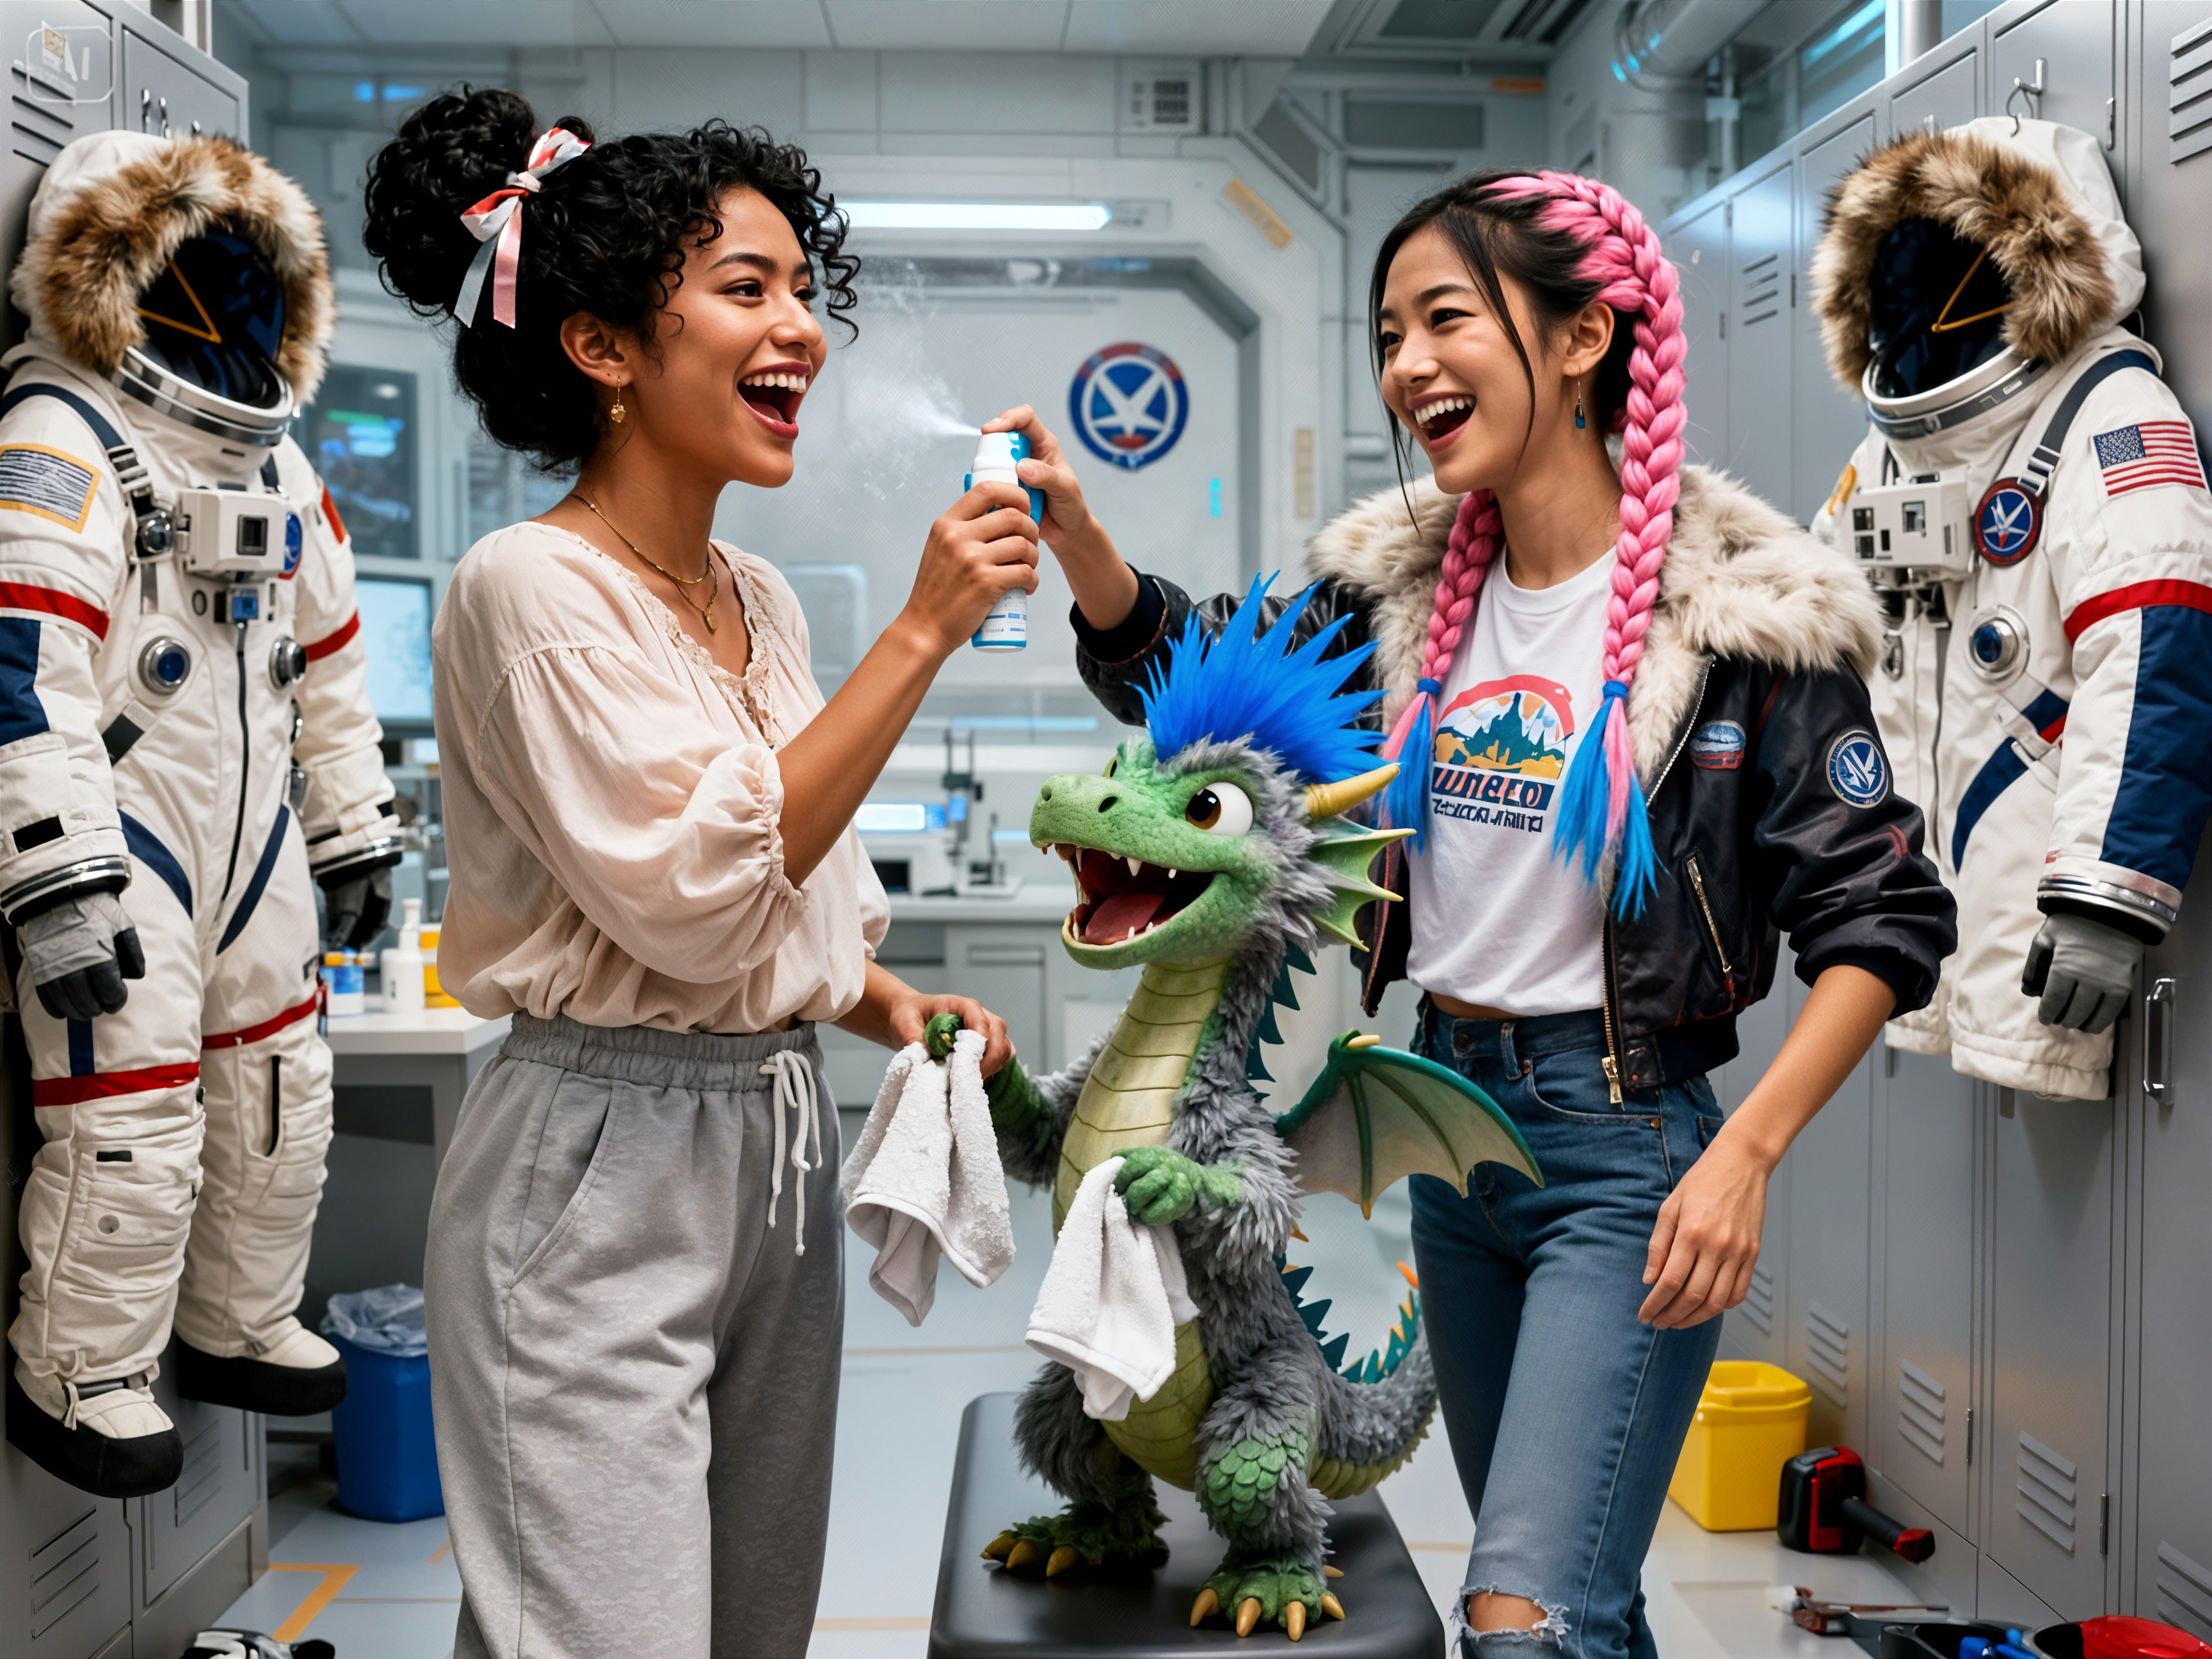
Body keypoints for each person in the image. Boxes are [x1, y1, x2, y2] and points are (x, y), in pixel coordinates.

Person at [994, 169, 1957, 1657]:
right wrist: (1078, 544)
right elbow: (1203, 686)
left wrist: (1747, 1157)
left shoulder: (1747, 616)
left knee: (1520, 1616)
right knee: (1581, 1602)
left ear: (1582, 339)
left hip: (1622, 1156)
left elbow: (1882, 913)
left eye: (1445, 319)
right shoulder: (1390, 589)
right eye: (1390, 334)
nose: (1406, 367)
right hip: (1454, 1133)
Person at [359, 91, 1032, 1659]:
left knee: (743, 1631)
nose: (799, 325)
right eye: (747, 288)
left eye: (805, 288)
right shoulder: (526, 588)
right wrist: (924, 633)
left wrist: (882, 1001)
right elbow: (697, 894)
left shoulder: (759, 595)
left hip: (773, 1145)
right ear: (601, 348)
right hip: (599, 1165)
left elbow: (771, 906)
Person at [0, 129, 399, 1499]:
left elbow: (332, 661)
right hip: (127, 836)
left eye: (246, 277)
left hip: (253, 829)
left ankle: (238, 1319)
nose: (226, 302)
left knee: (282, 1087)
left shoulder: (274, 463)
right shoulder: (66, 438)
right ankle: (82, 1374)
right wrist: (54, 878)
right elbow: (21, 673)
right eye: (193, 267)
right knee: (133, 1108)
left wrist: (349, 829)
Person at [1809, 116, 2212, 1100]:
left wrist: (2108, 902)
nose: (1910, 303)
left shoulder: (2111, 414)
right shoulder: (1894, 447)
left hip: (2050, 904)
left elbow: (2153, 652)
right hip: (1910, 891)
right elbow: (1819, 630)